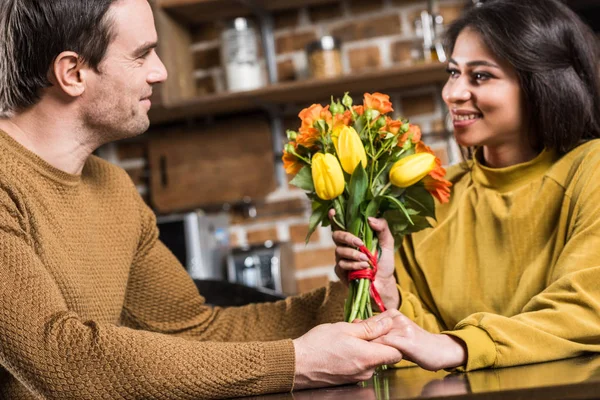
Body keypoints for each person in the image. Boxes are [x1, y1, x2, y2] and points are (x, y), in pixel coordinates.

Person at [0, 0, 408, 399]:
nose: (160, 72)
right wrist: (296, 363)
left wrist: (357, 292)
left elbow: (195, 330)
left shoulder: (113, 188)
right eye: (141, 56)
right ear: (73, 73)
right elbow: (58, 358)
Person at [333, 0, 600, 372]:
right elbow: (423, 344)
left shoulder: (591, 168)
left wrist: (462, 344)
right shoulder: (432, 197)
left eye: (480, 76)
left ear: (540, 82)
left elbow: (587, 307)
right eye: (453, 72)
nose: (452, 93)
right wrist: (387, 291)